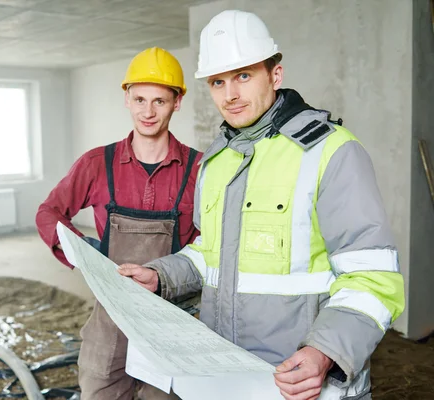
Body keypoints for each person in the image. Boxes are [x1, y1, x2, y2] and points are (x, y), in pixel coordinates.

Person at [118, 10, 405, 400]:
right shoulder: (216, 161)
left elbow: (374, 277)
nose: (230, 95)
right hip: (226, 378)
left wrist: (325, 351)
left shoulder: (331, 150)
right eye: (218, 81)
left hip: (301, 384)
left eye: (244, 75)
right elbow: (210, 254)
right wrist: (161, 276)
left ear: (275, 75)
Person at [36, 47, 202, 400]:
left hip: (173, 321)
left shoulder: (200, 171)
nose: (148, 111)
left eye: (159, 100)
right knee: (99, 389)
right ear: (126, 98)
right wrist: (80, 251)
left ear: (178, 101)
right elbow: (49, 211)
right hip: (111, 317)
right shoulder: (98, 163)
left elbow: (214, 246)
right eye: (140, 98)